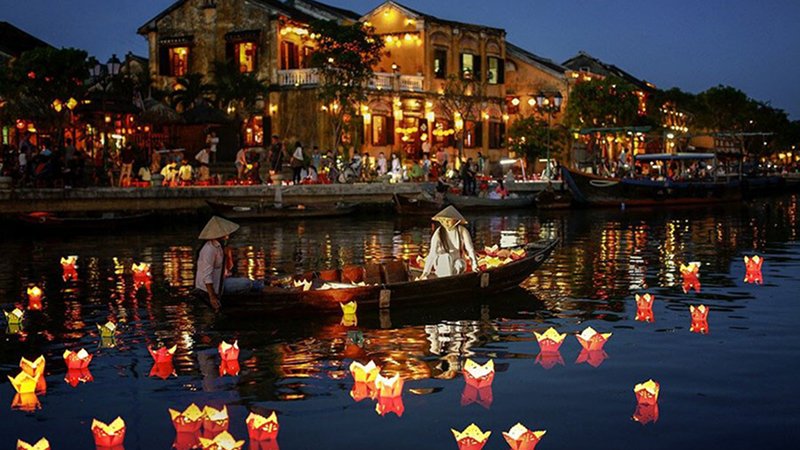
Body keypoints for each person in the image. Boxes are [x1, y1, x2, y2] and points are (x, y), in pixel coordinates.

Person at [194, 216, 264, 311]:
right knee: (247, 283)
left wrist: (228, 255)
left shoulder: (220, 247)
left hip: (221, 280)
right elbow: (207, 276)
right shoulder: (209, 249)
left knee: (253, 283)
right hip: (213, 287)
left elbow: (229, 267)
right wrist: (212, 297)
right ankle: (261, 286)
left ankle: (261, 284)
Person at [420, 206, 478, 279]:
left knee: (460, 263)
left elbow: (470, 249)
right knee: (446, 257)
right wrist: (425, 272)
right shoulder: (438, 232)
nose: (446, 223)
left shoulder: (462, 231)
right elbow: (432, 253)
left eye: (448, 220)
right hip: (442, 262)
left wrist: (474, 266)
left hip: (457, 262)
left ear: (455, 220)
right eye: (444, 220)